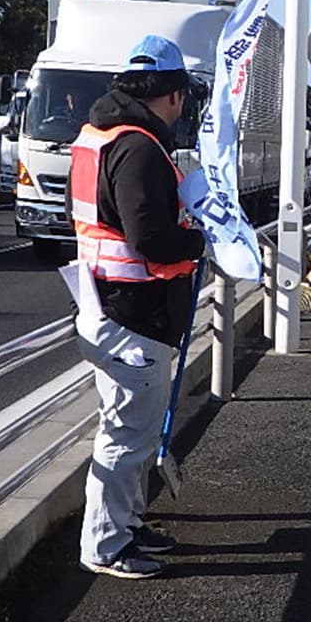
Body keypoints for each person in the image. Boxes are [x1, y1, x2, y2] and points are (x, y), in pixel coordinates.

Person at [67, 35, 206, 579]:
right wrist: (198, 240)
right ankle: (106, 544)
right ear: (173, 95)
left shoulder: (97, 136)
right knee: (126, 435)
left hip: (104, 303)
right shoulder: (140, 147)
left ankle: (125, 523)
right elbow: (150, 238)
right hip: (134, 311)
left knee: (128, 427)